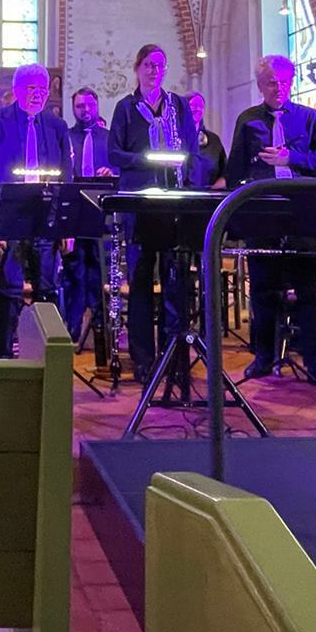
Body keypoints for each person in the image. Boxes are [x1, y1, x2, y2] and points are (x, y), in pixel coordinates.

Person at [226, 53, 316, 391]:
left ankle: (315, 361)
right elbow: (236, 169)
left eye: (284, 82)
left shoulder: (309, 117)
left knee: (307, 288)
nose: (278, 88)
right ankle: (263, 355)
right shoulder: (248, 120)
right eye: (271, 83)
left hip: (301, 209)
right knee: (263, 287)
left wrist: (293, 158)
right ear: (260, 85)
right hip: (262, 211)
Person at [108, 44, 197, 384]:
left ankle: (174, 355)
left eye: (159, 65)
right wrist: (146, 159)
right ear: (137, 68)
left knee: (175, 280)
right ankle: (143, 358)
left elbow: (191, 149)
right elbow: (114, 154)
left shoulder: (178, 106)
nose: (153, 71)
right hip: (140, 203)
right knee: (141, 281)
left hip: (173, 201)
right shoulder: (126, 108)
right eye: (147, 65)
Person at [0, 63, 72, 359]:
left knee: (47, 288)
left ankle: (46, 357)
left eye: (43, 88)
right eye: (32, 88)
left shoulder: (57, 126)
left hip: (45, 215)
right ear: (17, 90)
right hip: (10, 213)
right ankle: (3, 358)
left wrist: (66, 224)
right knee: (9, 289)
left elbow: (66, 177)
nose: (38, 94)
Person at [63, 86, 115, 347]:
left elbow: (120, 167)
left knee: (99, 272)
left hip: (101, 212)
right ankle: (72, 329)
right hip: (73, 212)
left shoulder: (110, 137)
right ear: (73, 108)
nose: (85, 110)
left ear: (97, 106)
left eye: (89, 105)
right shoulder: (66, 137)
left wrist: (111, 171)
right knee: (74, 272)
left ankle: (99, 328)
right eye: (80, 106)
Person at [188, 91, 227, 188]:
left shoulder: (213, 140)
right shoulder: (174, 138)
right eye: (193, 105)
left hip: (209, 194)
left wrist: (215, 189)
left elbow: (225, 172)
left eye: (201, 106)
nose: (198, 109)